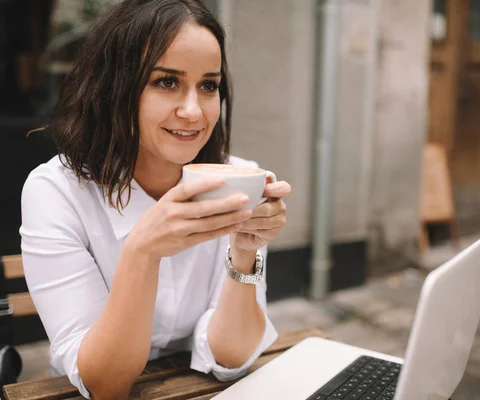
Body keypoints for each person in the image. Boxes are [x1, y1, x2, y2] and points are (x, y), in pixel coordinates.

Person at [19, 1, 291, 399]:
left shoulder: (239, 178)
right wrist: (142, 252)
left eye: (209, 85)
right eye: (166, 82)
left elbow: (231, 357)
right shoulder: (57, 191)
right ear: (117, 87)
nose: (193, 111)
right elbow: (105, 383)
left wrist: (245, 252)